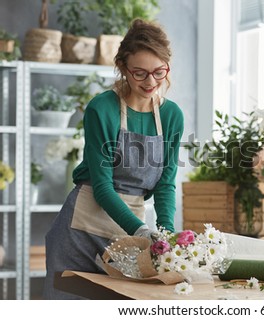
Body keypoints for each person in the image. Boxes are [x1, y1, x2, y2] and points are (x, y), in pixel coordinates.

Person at [43, 19, 184, 299]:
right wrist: (142, 230)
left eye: (159, 72)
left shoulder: (171, 116)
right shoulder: (101, 108)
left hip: (128, 235)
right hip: (80, 233)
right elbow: (103, 185)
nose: (151, 82)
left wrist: (165, 234)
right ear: (123, 68)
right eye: (139, 73)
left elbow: (166, 184)